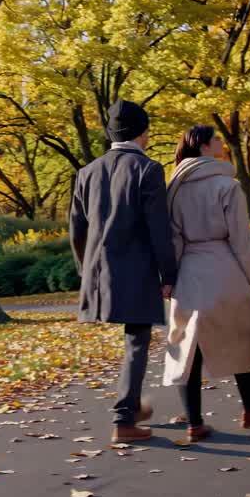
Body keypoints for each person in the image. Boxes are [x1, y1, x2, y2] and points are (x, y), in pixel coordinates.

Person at [69, 100, 178, 443]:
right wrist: (168, 275)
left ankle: (131, 407)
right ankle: (124, 420)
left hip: (98, 272)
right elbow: (159, 228)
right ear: (143, 132)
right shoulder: (148, 170)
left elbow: (76, 230)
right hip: (137, 270)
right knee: (137, 342)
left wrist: (85, 271)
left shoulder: (86, 173)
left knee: (134, 343)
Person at [162, 125, 250, 443]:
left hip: (189, 272)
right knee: (241, 337)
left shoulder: (174, 187)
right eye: (216, 140)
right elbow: (242, 241)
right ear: (202, 147)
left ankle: (195, 423)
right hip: (226, 269)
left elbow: (173, 240)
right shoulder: (228, 185)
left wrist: (168, 280)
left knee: (187, 346)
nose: (221, 143)